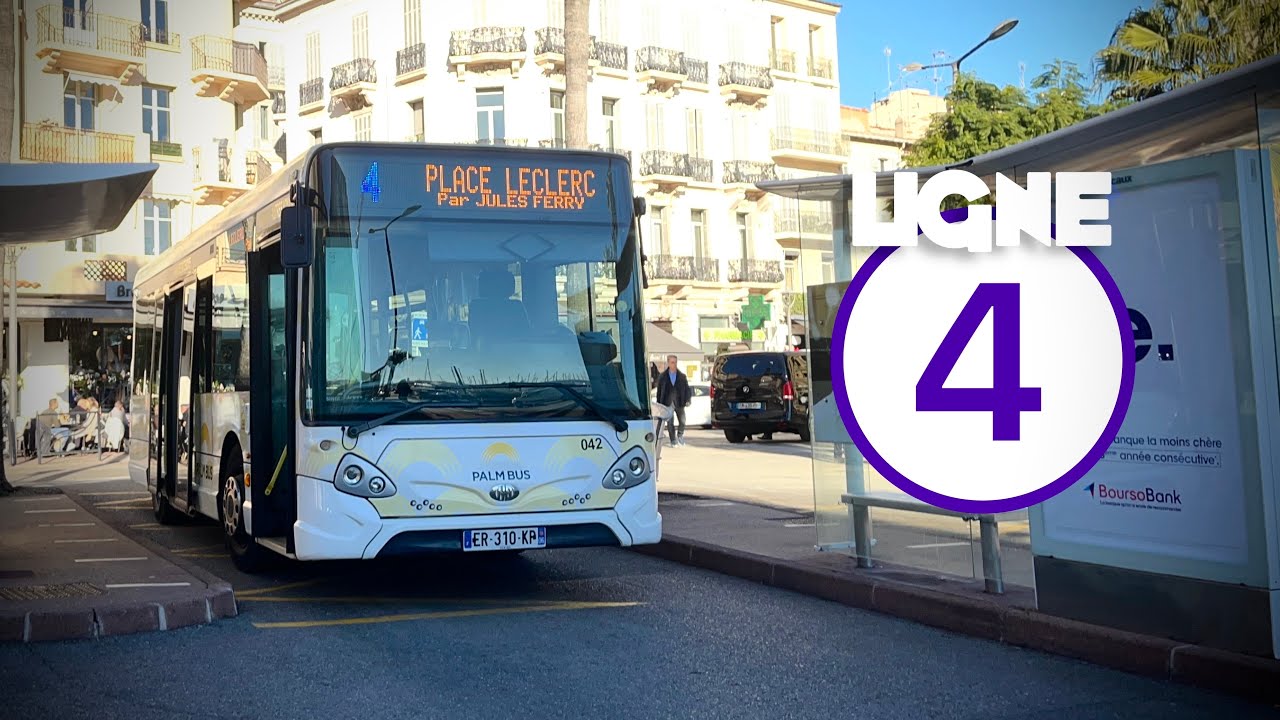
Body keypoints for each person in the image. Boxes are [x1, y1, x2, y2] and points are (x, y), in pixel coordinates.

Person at [655, 354, 691, 446]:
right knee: (670, 423)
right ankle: (673, 440)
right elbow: (659, 391)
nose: (674, 364)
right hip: (667, 403)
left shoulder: (682, 376)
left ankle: (680, 435)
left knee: (682, 421)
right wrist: (659, 404)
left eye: (675, 362)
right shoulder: (662, 377)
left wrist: (688, 400)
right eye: (672, 362)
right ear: (668, 363)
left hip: (679, 402)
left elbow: (687, 389)